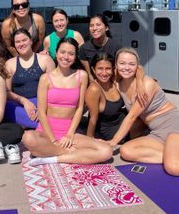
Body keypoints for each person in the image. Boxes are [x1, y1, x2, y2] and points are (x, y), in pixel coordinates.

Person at [109, 47, 179, 176]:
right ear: (116, 64)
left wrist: (113, 141)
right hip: (157, 133)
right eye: (122, 63)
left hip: (174, 127)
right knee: (126, 151)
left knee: (174, 167)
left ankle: (178, 154)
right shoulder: (118, 82)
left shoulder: (147, 84)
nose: (126, 67)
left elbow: (132, 116)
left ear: (137, 66)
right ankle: (175, 153)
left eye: (131, 64)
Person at [22, 37, 112, 165]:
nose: (66, 56)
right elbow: (41, 112)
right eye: (62, 52)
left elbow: (80, 108)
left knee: (106, 151)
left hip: (69, 132)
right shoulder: (45, 78)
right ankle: (68, 153)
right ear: (56, 53)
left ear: (75, 57)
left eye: (71, 54)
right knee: (28, 138)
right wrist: (53, 140)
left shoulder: (82, 76)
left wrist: (69, 135)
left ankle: (54, 157)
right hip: (47, 132)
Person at [5, 28, 55, 128]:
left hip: (42, 103)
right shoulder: (9, 64)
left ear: (31, 41)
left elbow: (54, 88)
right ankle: (44, 126)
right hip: (20, 105)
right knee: (6, 106)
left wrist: (41, 108)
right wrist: (24, 101)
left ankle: (34, 124)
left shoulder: (45, 60)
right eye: (17, 42)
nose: (21, 44)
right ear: (14, 45)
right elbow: (6, 92)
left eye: (24, 40)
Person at [85, 53, 128, 141]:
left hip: (123, 121)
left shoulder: (114, 81)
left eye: (108, 68)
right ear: (93, 69)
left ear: (113, 69)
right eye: (100, 69)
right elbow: (93, 118)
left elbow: (137, 68)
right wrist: (89, 140)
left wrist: (140, 81)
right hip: (110, 130)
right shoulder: (94, 89)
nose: (104, 73)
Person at [79, 14, 121, 81]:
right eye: (91, 25)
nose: (94, 28)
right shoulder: (84, 49)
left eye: (98, 25)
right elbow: (89, 74)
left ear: (106, 28)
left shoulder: (116, 47)